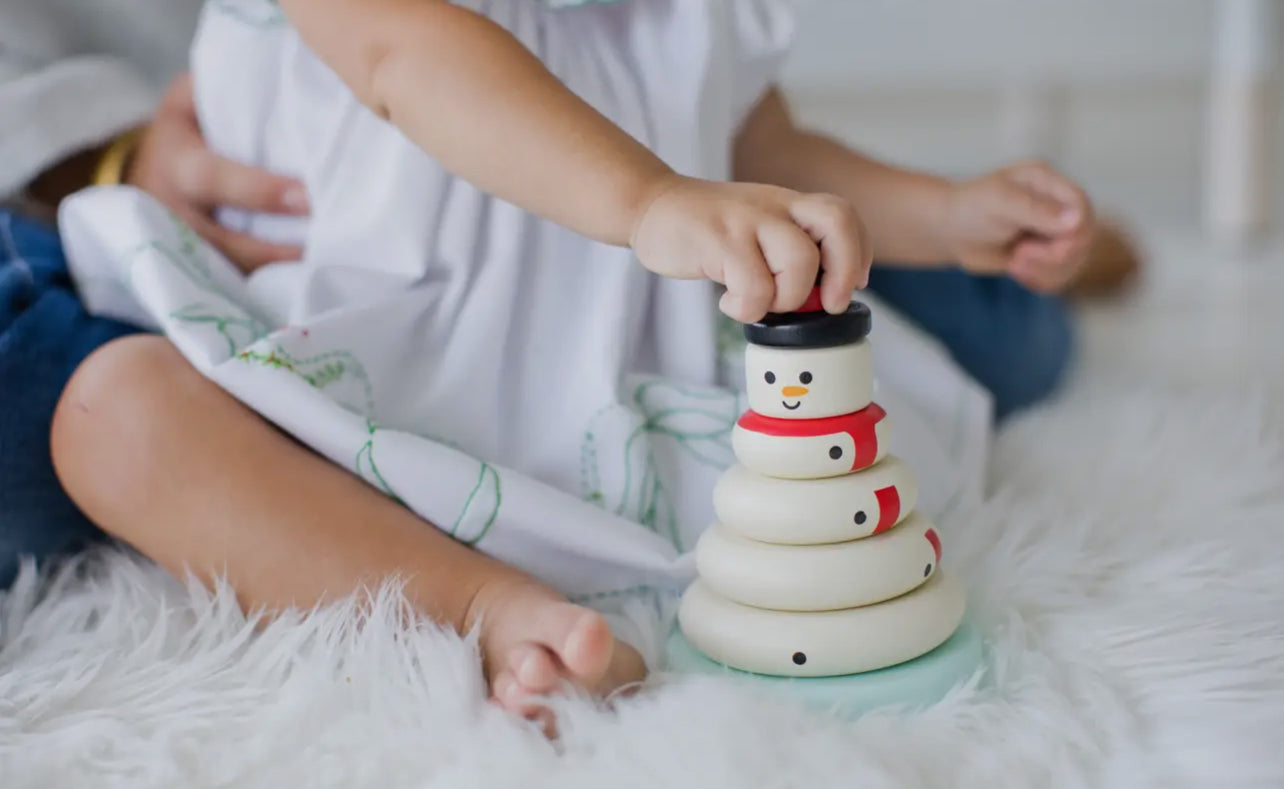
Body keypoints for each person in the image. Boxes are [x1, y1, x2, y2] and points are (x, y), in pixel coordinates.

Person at [5, 0, 1137, 722]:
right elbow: (410, 56)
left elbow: (765, 147)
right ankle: (483, 604)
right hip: (337, 357)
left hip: (602, 352)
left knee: (944, 326)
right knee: (111, 417)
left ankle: (1005, 259)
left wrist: (943, 213)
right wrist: (650, 200)